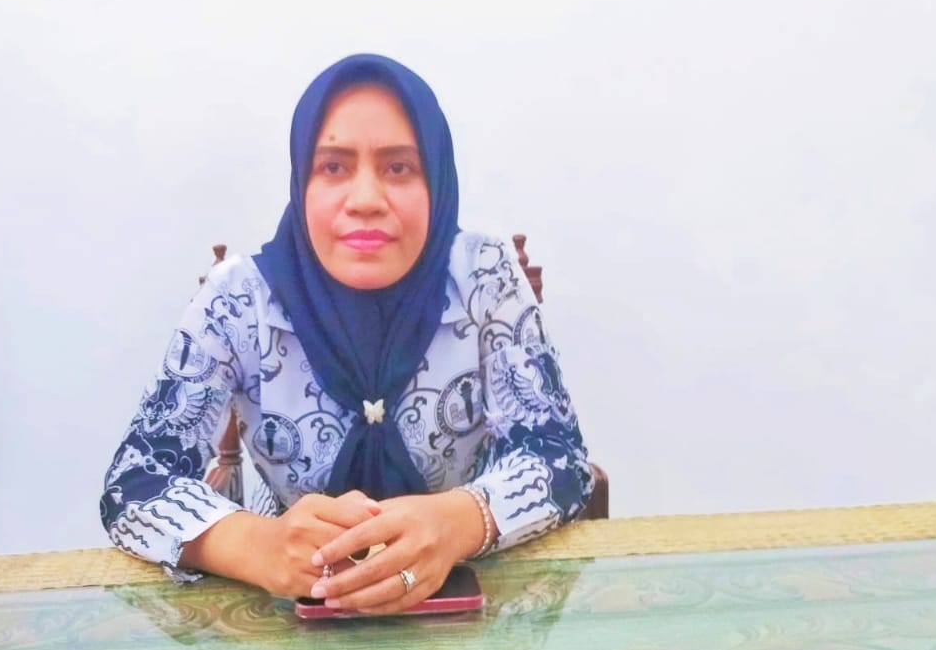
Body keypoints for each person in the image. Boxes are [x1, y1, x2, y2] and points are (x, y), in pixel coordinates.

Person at [100, 54, 594, 615]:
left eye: (398, 168)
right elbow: (135, 482)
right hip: (290, 609)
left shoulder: (484, 278)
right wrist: (258, 546)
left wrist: (459, 521)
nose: (365, 200)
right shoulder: (240, 300)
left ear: (436, 179)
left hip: (468, 603)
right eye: (334, 167)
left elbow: (558, 457)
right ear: (301, 180)